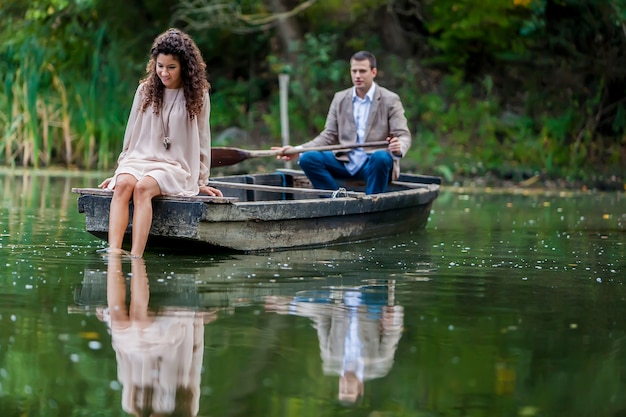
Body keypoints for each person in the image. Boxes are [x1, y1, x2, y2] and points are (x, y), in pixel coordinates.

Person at [99, 28, 222, 258]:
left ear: (184, 66)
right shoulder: (145, 90)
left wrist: (199, 181)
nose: (164, 73)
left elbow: (203, 140)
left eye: (171, 67)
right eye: (160, 66)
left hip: (174, 166)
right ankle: (114, 252)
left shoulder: (197, 94)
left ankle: (136, 256)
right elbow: (130, 135)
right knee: (124, 184)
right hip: (139, 158)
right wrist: (120, 170)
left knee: (143, 187)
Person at [273, 50, 411, 195]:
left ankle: (372, 204)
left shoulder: (390, 99)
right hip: (345, 161)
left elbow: (403, 135)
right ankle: (334, 200)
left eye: (362, 71)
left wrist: (398, 146)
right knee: (308, 158)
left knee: (381, 157)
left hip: (373, 165)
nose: (357, 75)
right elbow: (328, 136)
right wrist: (298, 150)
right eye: (354, 71)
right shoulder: (340, 98)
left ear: (374, 72)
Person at [100, 254, 216, 417]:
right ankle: (132, 258)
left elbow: (122, 354)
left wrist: (108, 317)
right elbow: (195, 355)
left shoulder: (131, 403)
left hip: (134, 341)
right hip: (169, 338)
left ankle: (121, 260)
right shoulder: (187, 407)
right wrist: (197, 318)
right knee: (140, 323)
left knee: (120, 323)